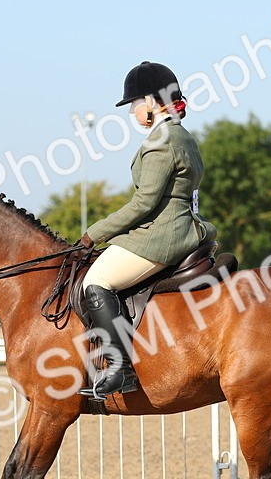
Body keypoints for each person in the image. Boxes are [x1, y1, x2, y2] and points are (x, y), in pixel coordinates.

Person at [77, 61, 205, 400]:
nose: (133, 112)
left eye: (135, 104)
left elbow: (144, 203)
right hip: (181, 226)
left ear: (151, 101)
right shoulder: (183, 136)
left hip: (164, 234)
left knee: (95, 281)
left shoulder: (161, 141)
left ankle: (120, 368)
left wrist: (95, 232)